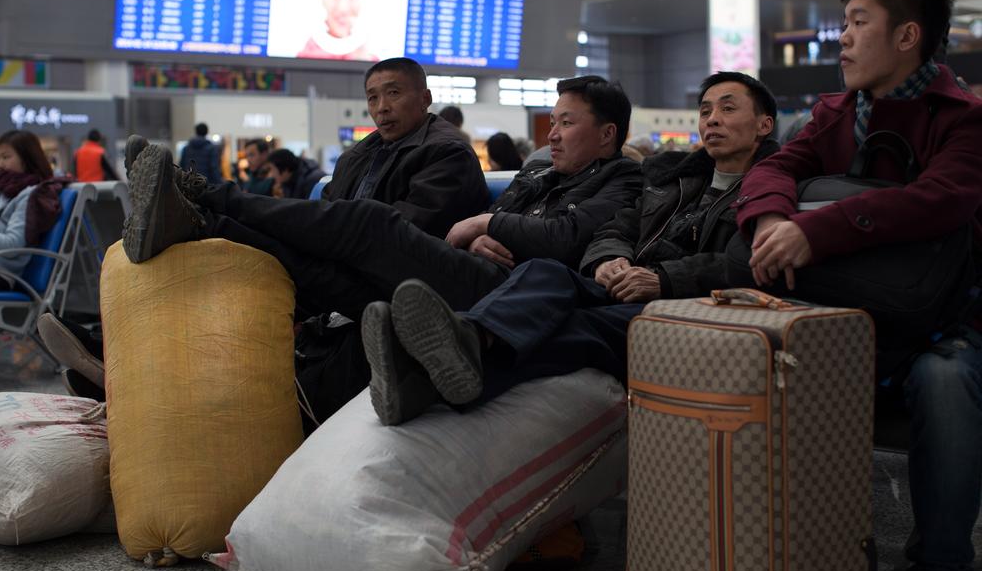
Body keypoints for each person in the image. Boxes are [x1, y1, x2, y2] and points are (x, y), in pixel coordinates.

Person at [118, 68, 642, 422]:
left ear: (606, 135)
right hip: (466, 269)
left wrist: (487, 223)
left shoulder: (623, 180)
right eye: (553, 122)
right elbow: (496, 228)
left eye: (567, 123)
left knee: (370, 225)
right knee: (321, 274)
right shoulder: (535, 175)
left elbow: (564, 238)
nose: (552, 134)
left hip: (508, 291)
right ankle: (196, 222)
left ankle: (207, 193)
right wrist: (487, 230)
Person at [731, 0, 982, 571]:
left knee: (945, 380)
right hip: (844, 310)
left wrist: (815, 230)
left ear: (907, 35)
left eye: (857, 22)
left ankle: (943, 562)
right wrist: (770, 218)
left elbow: (939, 199)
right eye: (843, 23)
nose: (841, 38)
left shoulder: (964, 120)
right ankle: (799, 552)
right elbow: (773, 167)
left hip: (944, 318)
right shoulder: (836, 114)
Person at [358, 71, 778, 426]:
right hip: (618, 285)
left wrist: (663, 279)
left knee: (569, 328)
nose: (712, 119)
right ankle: (461, 344)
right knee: (547, 272)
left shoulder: (771, 187)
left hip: (681, 303)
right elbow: (618, 227)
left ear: (764, 125)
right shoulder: (673, 178)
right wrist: (608, 258)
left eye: (727, 109)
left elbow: (742, 261)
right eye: (705, 110)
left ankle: (436, 368)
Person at [0, 130, 66, 290]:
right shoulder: (1, 190)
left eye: (6, 157)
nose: (0, 164)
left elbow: (12, 245)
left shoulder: (31, 195)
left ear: (27, 159)